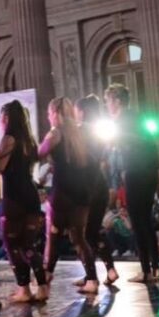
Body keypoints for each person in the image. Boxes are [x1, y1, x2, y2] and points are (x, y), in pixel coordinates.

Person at [0, 99, 48, 304]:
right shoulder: (28, 140)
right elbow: (15, 162)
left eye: (1, 117)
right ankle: (42, 287)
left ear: (6, 117)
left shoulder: (8, 138)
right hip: (30, 194)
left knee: (12, 244)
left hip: (14, 198)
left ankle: (24, 289)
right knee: (29, 245)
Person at [39, 97, 101, 294]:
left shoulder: (56, 132)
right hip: (81, 191)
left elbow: (40, 152)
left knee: (53, 237)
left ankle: (45, 280)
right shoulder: (78, 133)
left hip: (62, 192)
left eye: (49, 114)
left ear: (55, 113)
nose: (48, 118)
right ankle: (92, 279)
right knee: (79, 238)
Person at [106, 84, 159, 283]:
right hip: (149, 172)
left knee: (138, 222)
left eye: (108, 101)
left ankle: (146, 270)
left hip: (136, 173)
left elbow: (129, 143)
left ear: (117, 101)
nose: (107, 105)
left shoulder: (121, 120)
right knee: (146, 220)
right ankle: (155, 268)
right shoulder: (137, 116)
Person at [76, 95, 119, 287]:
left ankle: (91, 275)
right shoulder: (100, 131)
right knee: (93, 231)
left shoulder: (80, 131)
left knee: (84, 234)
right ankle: (108, 270)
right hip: (100, 183)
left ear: (82, 112)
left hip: (86, 185)